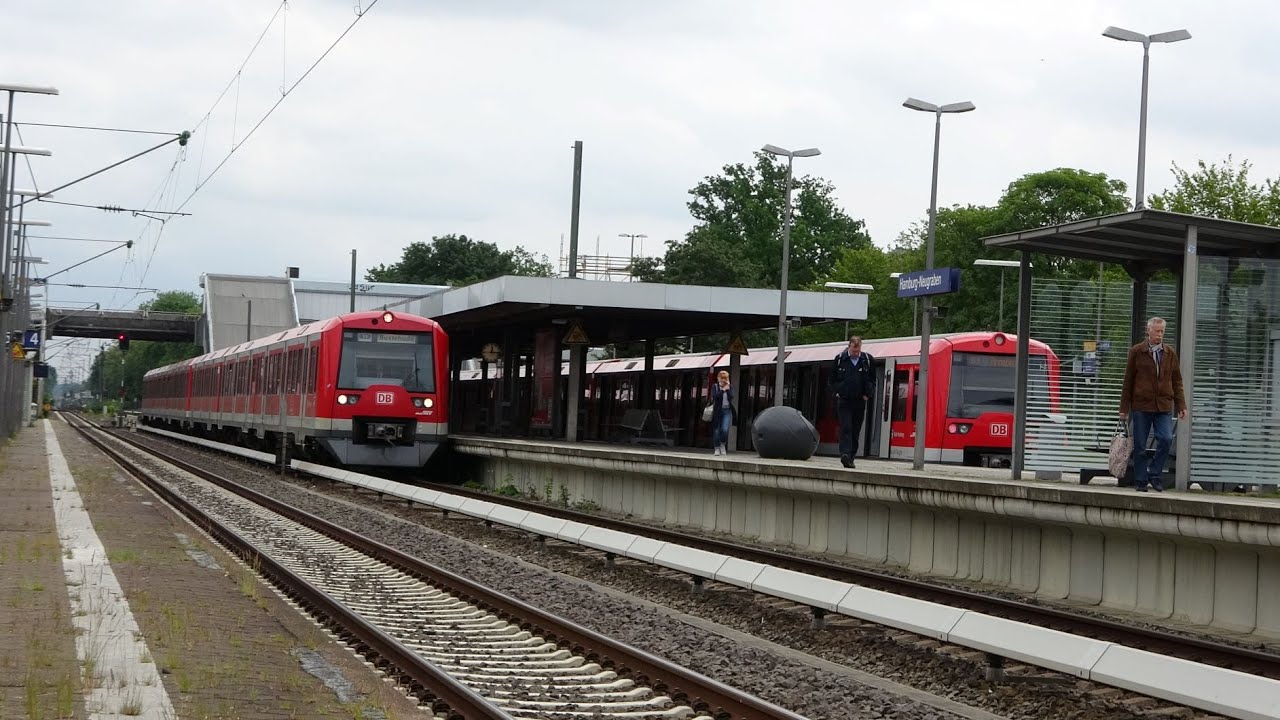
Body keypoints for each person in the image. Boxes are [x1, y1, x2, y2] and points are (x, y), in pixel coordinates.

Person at [1119, 317, 1187, 492]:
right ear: (1148, 331)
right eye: (1157, 331)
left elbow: (1177, 380)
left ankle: (1155, 474)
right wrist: (1124, 409)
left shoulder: (1170, 353)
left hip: (1163, 405)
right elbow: (1128, 381)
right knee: (1140, 444)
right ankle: (1141, 480)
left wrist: (1181, 405)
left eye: (1162, 331)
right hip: (1142, 405)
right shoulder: (1137, 352)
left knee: (1166, 438)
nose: (1160, 335)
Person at [829, 336, 875, 468]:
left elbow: (872, 378)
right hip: (844, 400)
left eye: (858, 350)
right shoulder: (840, 359)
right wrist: (837, 392)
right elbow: (832, 380)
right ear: (849, 346)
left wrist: (868, 394)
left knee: (855, 430)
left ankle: (851, 457)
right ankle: (845, 453)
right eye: (854, 351)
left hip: (860, 400)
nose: (856, 353)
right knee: (846, 427)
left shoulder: (867, 360)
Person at [710, 370, 736, 456]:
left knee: (724, 429)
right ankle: (716, 448)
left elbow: (731, 396)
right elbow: (715, 397)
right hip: (717, 410)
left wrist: (727, 389)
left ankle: (722, 444)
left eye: (725, 378)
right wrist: (722, 390)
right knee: (716, 430)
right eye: (722, 378)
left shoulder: (730, 387)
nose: (724, 380)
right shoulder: (715, 386)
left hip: (727, 410)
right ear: (718, 378)